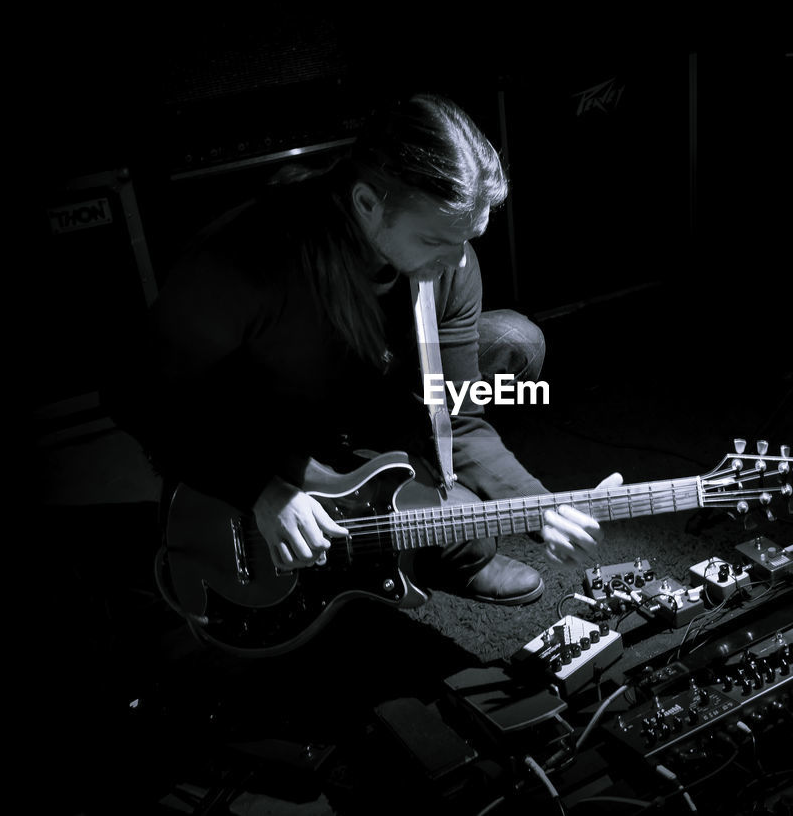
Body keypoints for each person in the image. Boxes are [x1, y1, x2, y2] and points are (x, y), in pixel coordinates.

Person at [106, 92, 614, 607]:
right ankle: (385, 530)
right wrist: (261, 490)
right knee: (463, 529)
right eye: (437, 241)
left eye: (469, 237)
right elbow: (134, 394)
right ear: (368, 205)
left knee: (515, 344)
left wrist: (540, 507)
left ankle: (408, 521)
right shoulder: (247, 258)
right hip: (269, 429)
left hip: (364, 401)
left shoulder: (452, 263)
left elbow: (457, 415)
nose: (459, 260)